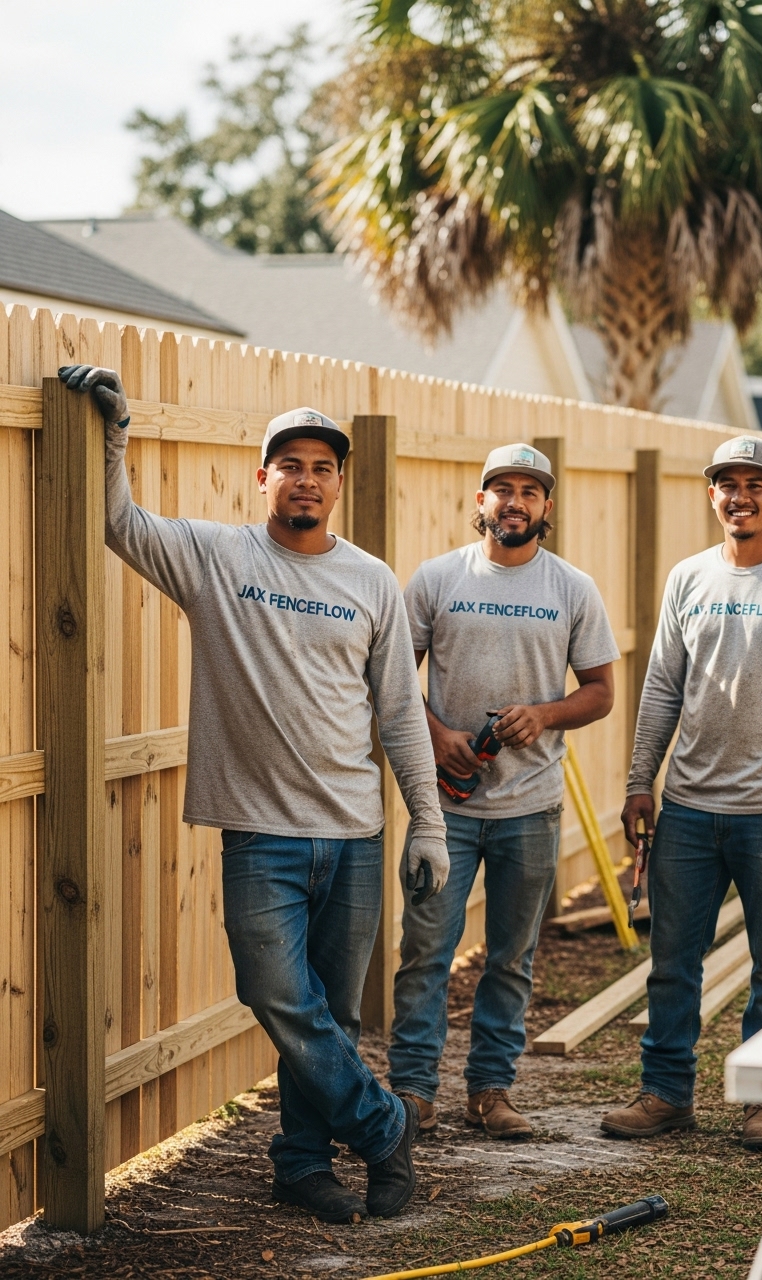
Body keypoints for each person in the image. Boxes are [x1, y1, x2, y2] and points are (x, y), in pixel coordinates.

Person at [58, 364, 450, 1223]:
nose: (306, 479)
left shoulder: (372, 581)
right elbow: (116, 522)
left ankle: (303, 1166)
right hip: (259, 837)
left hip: (353, 833)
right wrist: (114, 434)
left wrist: (428, 823)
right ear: (262, 476)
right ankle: (385, 1129)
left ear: (339, 482)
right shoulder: (216, 558)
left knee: (331, 1015)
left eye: (323, 467)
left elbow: (399, 712)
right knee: (278, 996)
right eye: (291, 464)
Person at [601, 435, 762, 1151]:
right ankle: (665, 1094)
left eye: (754, 483)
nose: (739, 495)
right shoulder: (688, 578)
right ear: (711, 494)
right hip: (687, 809)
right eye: (726, 483)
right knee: (673, 963)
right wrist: (638, 782)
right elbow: (660, 688)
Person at [388, 443, 619, 1138]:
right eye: (501, 489)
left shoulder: (572, 589)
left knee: (511, 958)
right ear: (480, 501)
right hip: (446, 807)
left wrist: (545, 715)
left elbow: (604, 692)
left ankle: (491, 1091)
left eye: (529, 491)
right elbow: (395, 682)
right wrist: (436, 736)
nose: (514, 501)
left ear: (547, 508)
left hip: (532, 808)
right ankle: (413, 1091)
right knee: (425, 951)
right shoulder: (435, 580)